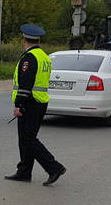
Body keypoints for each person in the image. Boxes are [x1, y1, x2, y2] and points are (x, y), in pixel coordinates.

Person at [5, 24, 66, 186]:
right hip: (39, 101)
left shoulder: (29, 58)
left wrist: (19, 105)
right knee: (25, 139)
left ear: (24, 40)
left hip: (30, 103)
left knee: (28, 139)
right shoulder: (44, 56)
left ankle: (54, 167)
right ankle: (24, 171)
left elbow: (25, 84)